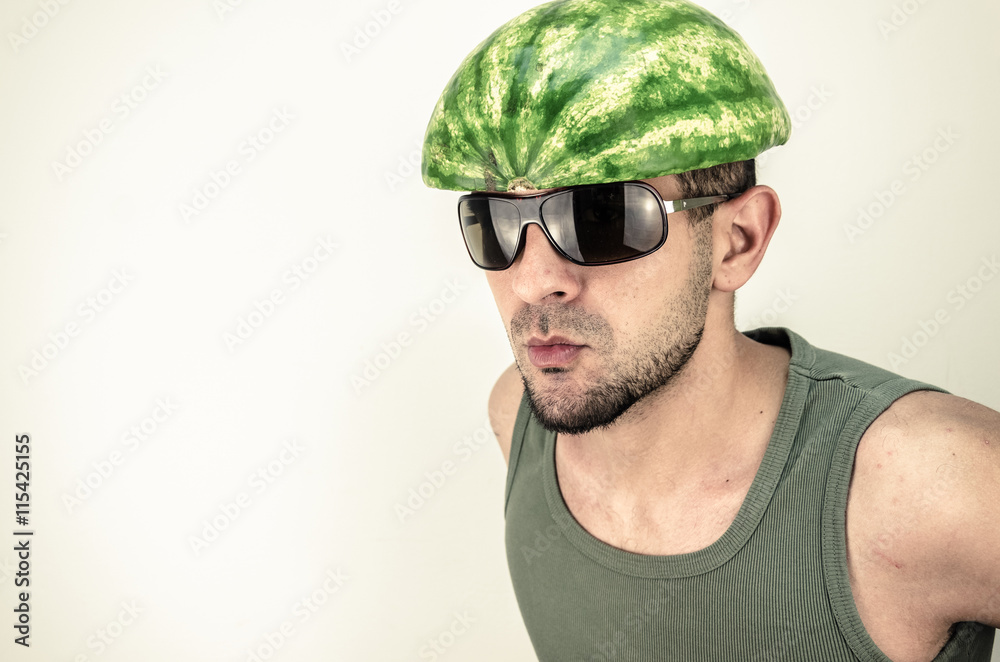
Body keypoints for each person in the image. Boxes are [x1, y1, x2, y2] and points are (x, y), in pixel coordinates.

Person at [420, 0, 999, 660]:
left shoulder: (930, 481)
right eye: (494, 221)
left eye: (604, 217)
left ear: (738, 240)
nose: (533, 282)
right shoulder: (518, 414)